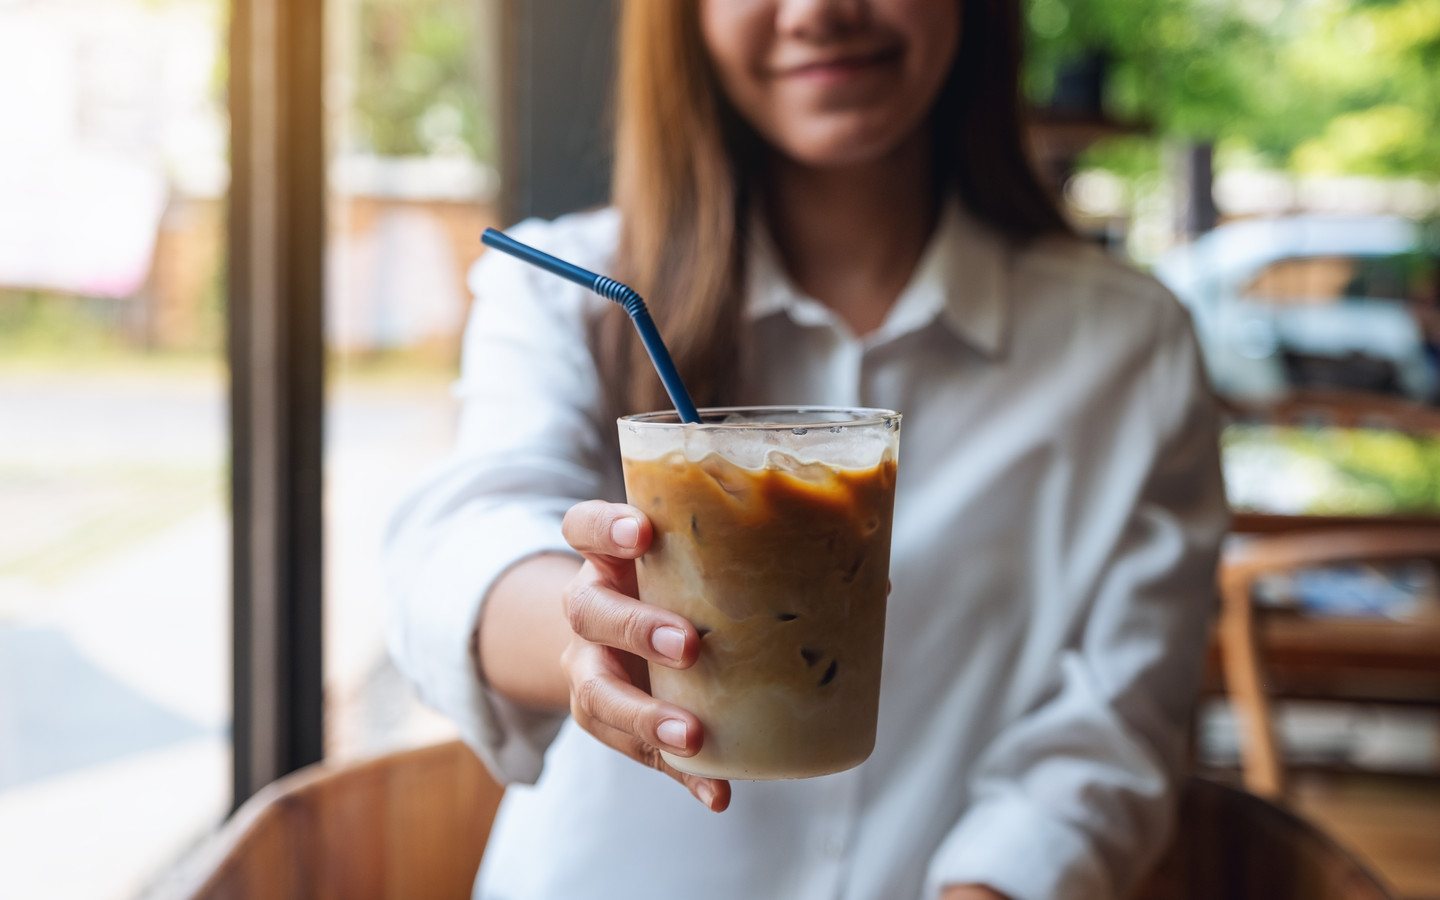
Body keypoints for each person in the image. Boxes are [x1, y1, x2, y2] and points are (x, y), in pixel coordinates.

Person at [384, 1, 1229, 898]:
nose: (820, 12)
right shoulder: (563, 292)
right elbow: (462, 548)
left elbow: (1114, 721)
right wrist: (595, 632)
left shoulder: (1129, 346)